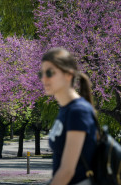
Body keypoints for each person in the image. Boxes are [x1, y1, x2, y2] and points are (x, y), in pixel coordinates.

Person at [39, 48, 97, 185]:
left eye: (49, 73)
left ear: (68, 74)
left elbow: (67, 171)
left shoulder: (78, 111)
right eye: (41, 73)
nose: (43, 78)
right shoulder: (66, 109)